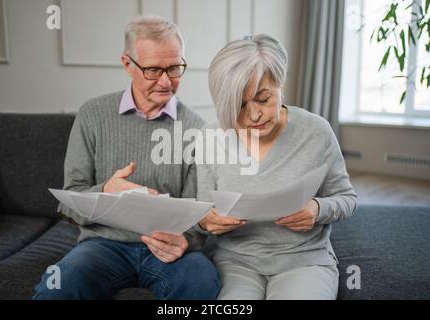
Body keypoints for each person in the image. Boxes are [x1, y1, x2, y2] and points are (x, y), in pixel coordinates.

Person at [33, 15, 219, 300]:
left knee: (201, 279)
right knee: (58, 286)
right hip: (102, 245)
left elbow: (198, 216)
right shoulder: (92, 115)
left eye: (175, 68)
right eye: (154, 70)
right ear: (127, 64)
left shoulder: (196, 128)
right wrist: (105, 192)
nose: (166, 81)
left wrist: (186, 240)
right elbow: (69, 202)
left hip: (167, 250)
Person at [195, 34, 357, 300]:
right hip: (236, 262)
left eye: (263, 98)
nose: (254, 115)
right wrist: (207, 220)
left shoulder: (316, 131)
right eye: (239, 105)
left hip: (304, 260)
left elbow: (347, 199)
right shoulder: (210, 137)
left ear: (280, 84)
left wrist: (318, 209)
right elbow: (203, 212)